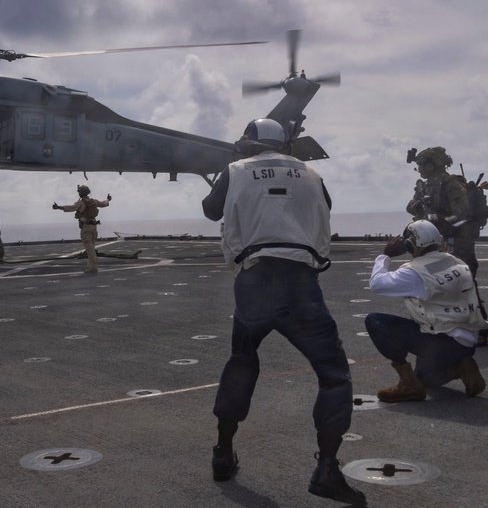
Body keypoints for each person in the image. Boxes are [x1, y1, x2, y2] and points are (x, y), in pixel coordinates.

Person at [201, 118, 365, 507]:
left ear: (248, 143)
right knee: (333, 375)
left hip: (254, 281)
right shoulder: (311, 173)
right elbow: (323, 210)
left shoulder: (234, 170)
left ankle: (223, 454)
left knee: (242, 361)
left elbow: (211, 211)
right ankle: (326, 468)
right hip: (300, 283)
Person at [365, 220, 487, 401]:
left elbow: (376, 284)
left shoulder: (414, 272)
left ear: (410, 245)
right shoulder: (457, 262)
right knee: (425, 380)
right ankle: (461, 365)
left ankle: (407, 383)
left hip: (440, 344)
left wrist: (385, 256)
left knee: (374, 321)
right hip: (467, 344)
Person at [405, 146, 479, 277]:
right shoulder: (425, 186)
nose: (419, 169)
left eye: (421, 165)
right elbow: (409, 207)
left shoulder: (452, 185)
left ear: (430, 166)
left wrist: (441, 220)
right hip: (433, 240)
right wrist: (416, 206)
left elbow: (462, 213)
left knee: (463, 275)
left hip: (456, 238)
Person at [53, 184, 110, 273]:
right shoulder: (93, 201)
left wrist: (58, 207)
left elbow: (71, 208)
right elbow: (104, 204)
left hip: (86, 228)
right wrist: (108, 199)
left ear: (81, 193)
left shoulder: (81, 203)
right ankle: (90, 266)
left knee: (89, 249)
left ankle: (93, 267)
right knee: (92, 247)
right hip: (94, 227)